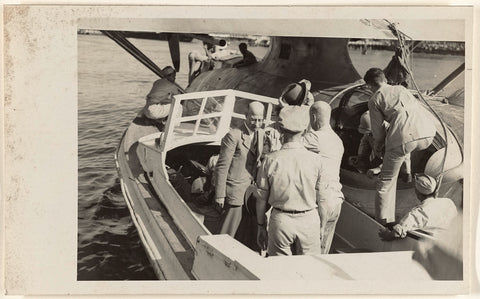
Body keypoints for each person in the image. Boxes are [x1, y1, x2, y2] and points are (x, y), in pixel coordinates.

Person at [364, 68, 436, 224]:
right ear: (385, 80)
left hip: (404, 138)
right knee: (403, 143)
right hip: (427, 133)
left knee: (386, 181)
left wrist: (377, 149)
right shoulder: (401, 88)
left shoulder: (374, 100)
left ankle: (383, 222)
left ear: (370, 85)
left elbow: (378, 132)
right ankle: (406, 172)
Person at [256, 105, 324, 256]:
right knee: (310, 272)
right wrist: (322, 225)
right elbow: (322, 197)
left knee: (280, 272)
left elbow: (261, 200)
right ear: (305, 130)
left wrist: (261, 226)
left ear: (280, 130)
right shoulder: (316, 160)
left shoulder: (270, 160)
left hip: (281, 221)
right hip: (309, 220)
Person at [214, 101, 265, 238]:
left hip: (249, 192)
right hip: (235, 191)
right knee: (227, 231)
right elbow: (222, 166)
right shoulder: (233, 136)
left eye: (260, 120)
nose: (257, 123)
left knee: (243, 231)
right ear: (246, 116)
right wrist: (220, 194)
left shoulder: (260, 134)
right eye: (253, 119)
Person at [302, 101, 344, 254]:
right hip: (336, 201)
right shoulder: (337, 140)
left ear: (313, 117)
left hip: (321, 203)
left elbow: (290, 148)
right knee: (323, 251)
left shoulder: (313, 137)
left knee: (307, 252)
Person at [379, 174, 458, 240]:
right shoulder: (448, 202)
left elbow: (399, 231)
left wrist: (386, 235)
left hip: (431, 243)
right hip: (450, 240)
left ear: (417, 193)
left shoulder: (418, 212)